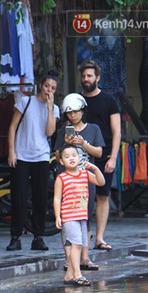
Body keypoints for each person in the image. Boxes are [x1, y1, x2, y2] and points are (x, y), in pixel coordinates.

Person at [6, 71, 60, 251]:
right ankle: (15, 236)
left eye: (53, 88)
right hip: (21, 155)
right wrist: (11, 152)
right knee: (19, 197)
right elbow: (12, 127)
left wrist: (51, 108)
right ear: (40, 85)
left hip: (42, 156)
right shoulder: (25, 102)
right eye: (47, 86)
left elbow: (50, 133)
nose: (49, 90)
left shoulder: (55, 109)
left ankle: (38, 236)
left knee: (40, 198)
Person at [54, 93, 104, 271]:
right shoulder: (63, 131)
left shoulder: (93, 129)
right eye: (69, 113)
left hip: (84, 181)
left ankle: (84, 258)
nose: (72, 115)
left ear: (83, 110)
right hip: (67, 181)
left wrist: (83, 144)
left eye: (75, 111)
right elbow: (57, 156)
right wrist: (65, 145)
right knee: (68, 220)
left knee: (85, 219)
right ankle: (69, 260)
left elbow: (98, 153)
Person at [79, 60, 122, 251]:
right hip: (80, 156)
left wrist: (113, 157)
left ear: (97, 78)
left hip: (104, 156)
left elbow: (117, 132)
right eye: (83, 76)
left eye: (89, 76)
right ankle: (84, 236)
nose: (86, 79)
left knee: (103, 196)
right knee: (83, 197)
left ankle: (99, 238)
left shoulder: (109, 100)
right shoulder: (76, 100)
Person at [54, 144, 105, 286]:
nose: (71, 158)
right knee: (76, 245)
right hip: (69, 217)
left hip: (82, 216)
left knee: (80, 245)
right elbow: (57, 198)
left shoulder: (85, 174)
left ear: (80, 158)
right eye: (67, 156)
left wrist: (94, 168)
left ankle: (69, 275)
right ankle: (78, 275)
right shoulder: (61, 178)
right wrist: (58, 216)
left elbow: (101, 182)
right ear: (61, 161)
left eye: (74, 155)